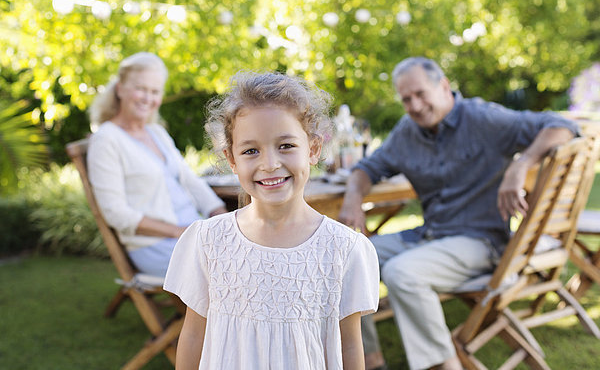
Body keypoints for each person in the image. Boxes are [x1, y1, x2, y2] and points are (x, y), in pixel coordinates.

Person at [337, 57, 578, 370]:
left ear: (444, 86)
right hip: (430, 236)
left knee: (403, 274)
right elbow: (366, 168)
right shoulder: (407, 132)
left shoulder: (484, 118)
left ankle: (448, 366)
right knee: (346, 257)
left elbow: (564, 126)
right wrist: (353, 197)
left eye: (421, 94)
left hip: (481, 241)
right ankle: (369, 361)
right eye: (406, 99)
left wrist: (521, 165)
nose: (415, 105)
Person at [164, 72, 380, 370]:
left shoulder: (344, 249)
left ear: (313, 149)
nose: (269, 164)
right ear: (232, 159)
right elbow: (192, 336)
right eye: (251, 151)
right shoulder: (207, 241)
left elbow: (350, 346)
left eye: (286, 146)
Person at [87, 52, 227, 277]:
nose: (147, 98)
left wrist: (220, 215)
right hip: (156, 245)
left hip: (191, 234)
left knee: (247, 252)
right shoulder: (106, 139)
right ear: (120, 88)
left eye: (155, 92)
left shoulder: (156, 132)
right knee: (232, 268)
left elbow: (190, 181)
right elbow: (116, 212)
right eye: (140, 89)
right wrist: (178, 232)